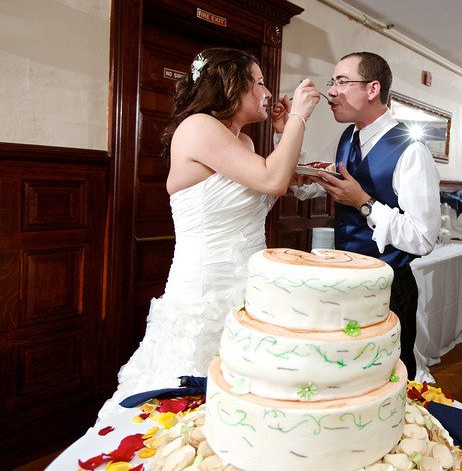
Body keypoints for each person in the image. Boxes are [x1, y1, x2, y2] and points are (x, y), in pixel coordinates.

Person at [96, 48, 320, 421]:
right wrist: (298, 115)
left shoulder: (244, 143)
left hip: (248, 287)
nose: (268, 92)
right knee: (192, 405)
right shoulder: (197, 127)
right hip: (205, 290)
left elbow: (270, 176)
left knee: (242, 400)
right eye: (260, 82)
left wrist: (283, 132)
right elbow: (272, 180)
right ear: (232, 86)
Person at [292, 52, 440, 380]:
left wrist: (365, 204)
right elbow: (323, 185)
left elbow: (424, 237)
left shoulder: (411, 150)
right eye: (333, 82)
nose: (332, 91)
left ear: (372, 89)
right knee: (350, 374)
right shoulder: (347, 137)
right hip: (347, 282)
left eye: (342, 82)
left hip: (388, 288)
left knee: (388, 377)